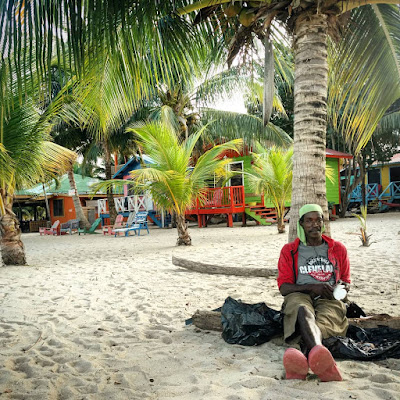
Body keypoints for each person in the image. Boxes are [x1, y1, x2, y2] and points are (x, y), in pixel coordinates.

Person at [277, 204, 350, 382]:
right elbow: (284, 288)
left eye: (318, 220)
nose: (314, 224)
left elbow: (346, 282)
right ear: (301, 224)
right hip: (300, 294)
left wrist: (341, 288)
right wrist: (312, 287)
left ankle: (304, 357)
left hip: (329, 298)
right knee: (301, 310)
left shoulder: (338, 249)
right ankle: (321, 358)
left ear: (323, 223)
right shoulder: (290, 251)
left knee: (325, 322)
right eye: (309, 221)